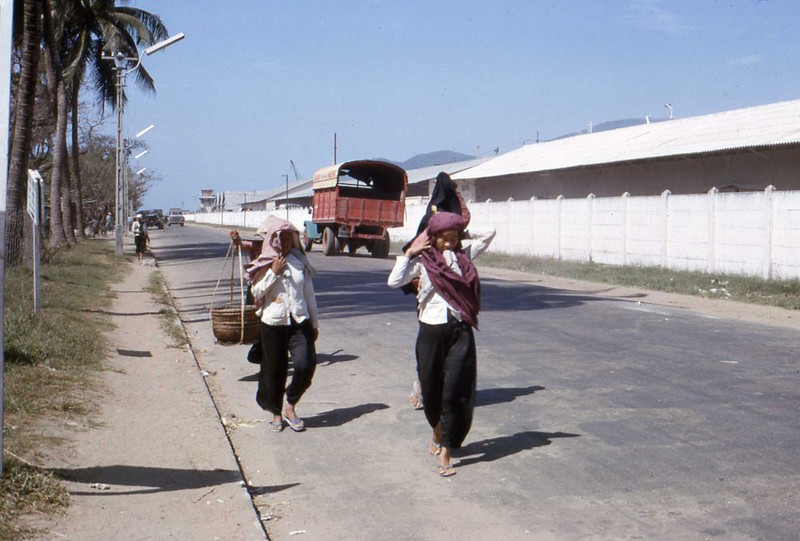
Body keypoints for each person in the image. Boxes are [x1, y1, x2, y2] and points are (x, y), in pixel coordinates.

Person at [388, 211, 495, 477]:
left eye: (453, 239)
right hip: (431, 331)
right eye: (443, 239)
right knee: (432, 390)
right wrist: (413, 249)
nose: (448, 244)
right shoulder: (422, 263)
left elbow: (489, 233)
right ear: (432, 239)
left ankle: (447, 450)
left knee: (455, 390)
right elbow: (394, 281)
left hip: (460, 330)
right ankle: (437, 430)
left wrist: (458, 231)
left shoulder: (463, 258)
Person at [249, 216, 319, 433]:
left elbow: (309, 295)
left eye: (290, 238)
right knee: (273, 370)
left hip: (299, 322)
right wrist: (273, 273)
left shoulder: (300, 262)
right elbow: (256, 292)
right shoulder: (265, 262)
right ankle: (277, 413)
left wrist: (314, 323)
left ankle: (290, 405)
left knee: (305, 364)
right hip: (273, 322)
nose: (286, 243)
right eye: (282, 238)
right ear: (274, 239)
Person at [229, 229, 266, 364]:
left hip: (270, 284)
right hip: (255, 283)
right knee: (253, 314)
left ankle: (263, 348)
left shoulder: (276, 248)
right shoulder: (254, 246)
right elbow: (239, 244)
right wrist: (235, 238)